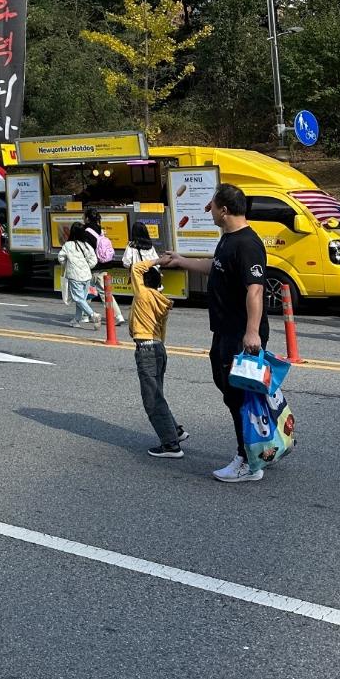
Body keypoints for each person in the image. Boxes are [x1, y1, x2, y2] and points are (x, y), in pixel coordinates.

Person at [159, 183, 270, 484]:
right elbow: (215, 267)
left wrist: (251, 333)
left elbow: (255, 290)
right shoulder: (228, 240)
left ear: (223, 210)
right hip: (223, 330)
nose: (208, 209)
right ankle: (262, 446)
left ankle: (248, 461)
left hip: (239, 335)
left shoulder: (247, 243)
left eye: (212, 205)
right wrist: (180, 261)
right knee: (234, 392)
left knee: (238, 397)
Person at [129, 260, 189, 458]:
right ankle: (175, 432)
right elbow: (162, 330)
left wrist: (158, 261)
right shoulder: (160, 299)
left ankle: (171, 445)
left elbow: (136, 267)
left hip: (146, 348)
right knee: (158, 394)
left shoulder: (143, 294)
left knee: (152, 400)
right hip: (158, 347)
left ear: (144, 282)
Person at [83, 208, 125, 327]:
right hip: (105, 264)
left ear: (87, 218)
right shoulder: (100, 230)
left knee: (86, 291)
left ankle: (85, 316)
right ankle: (118, 316)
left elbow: (86, 250)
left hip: (93, 266)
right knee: (105, 293)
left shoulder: (86, 232)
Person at [58, 221, 99, 327]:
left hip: (74, 276)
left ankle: (93, 315)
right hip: (86, 275)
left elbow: (61, 258)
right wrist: (86, 267)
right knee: (81, 299)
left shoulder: (68, 245)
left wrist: (67, 264)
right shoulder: (87, 245)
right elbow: (93, 260)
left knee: (78, 298)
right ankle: (76, 320)